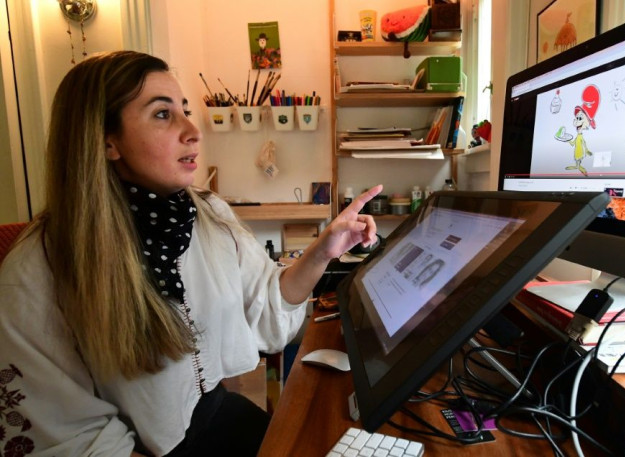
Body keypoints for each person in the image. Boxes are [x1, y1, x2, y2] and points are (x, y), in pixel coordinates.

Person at [0, 50, 382, 457]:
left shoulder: (208, 214)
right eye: (163, 114)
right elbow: (64, 438)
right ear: (106, 140)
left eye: (184, 109)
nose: (193, 130)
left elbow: (267, 298)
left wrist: (324, 250)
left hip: (216, 418)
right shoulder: (36, 273)